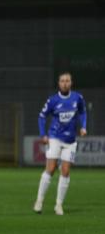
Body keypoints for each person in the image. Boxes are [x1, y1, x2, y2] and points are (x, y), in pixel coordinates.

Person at [34, 72, 87, 215]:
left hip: (70, 141)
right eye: (62, 81)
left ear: (71, 83)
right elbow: (42, 116)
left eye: (67, 81)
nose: (65, 83)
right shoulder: (53, 100)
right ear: (59, 83)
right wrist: (43, 134)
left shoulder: (77, 98)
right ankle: (39, 201)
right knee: (50, 169)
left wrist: (83, 126)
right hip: (55, 137)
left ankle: (58, 205)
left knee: (65, 171)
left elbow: (82, 112)